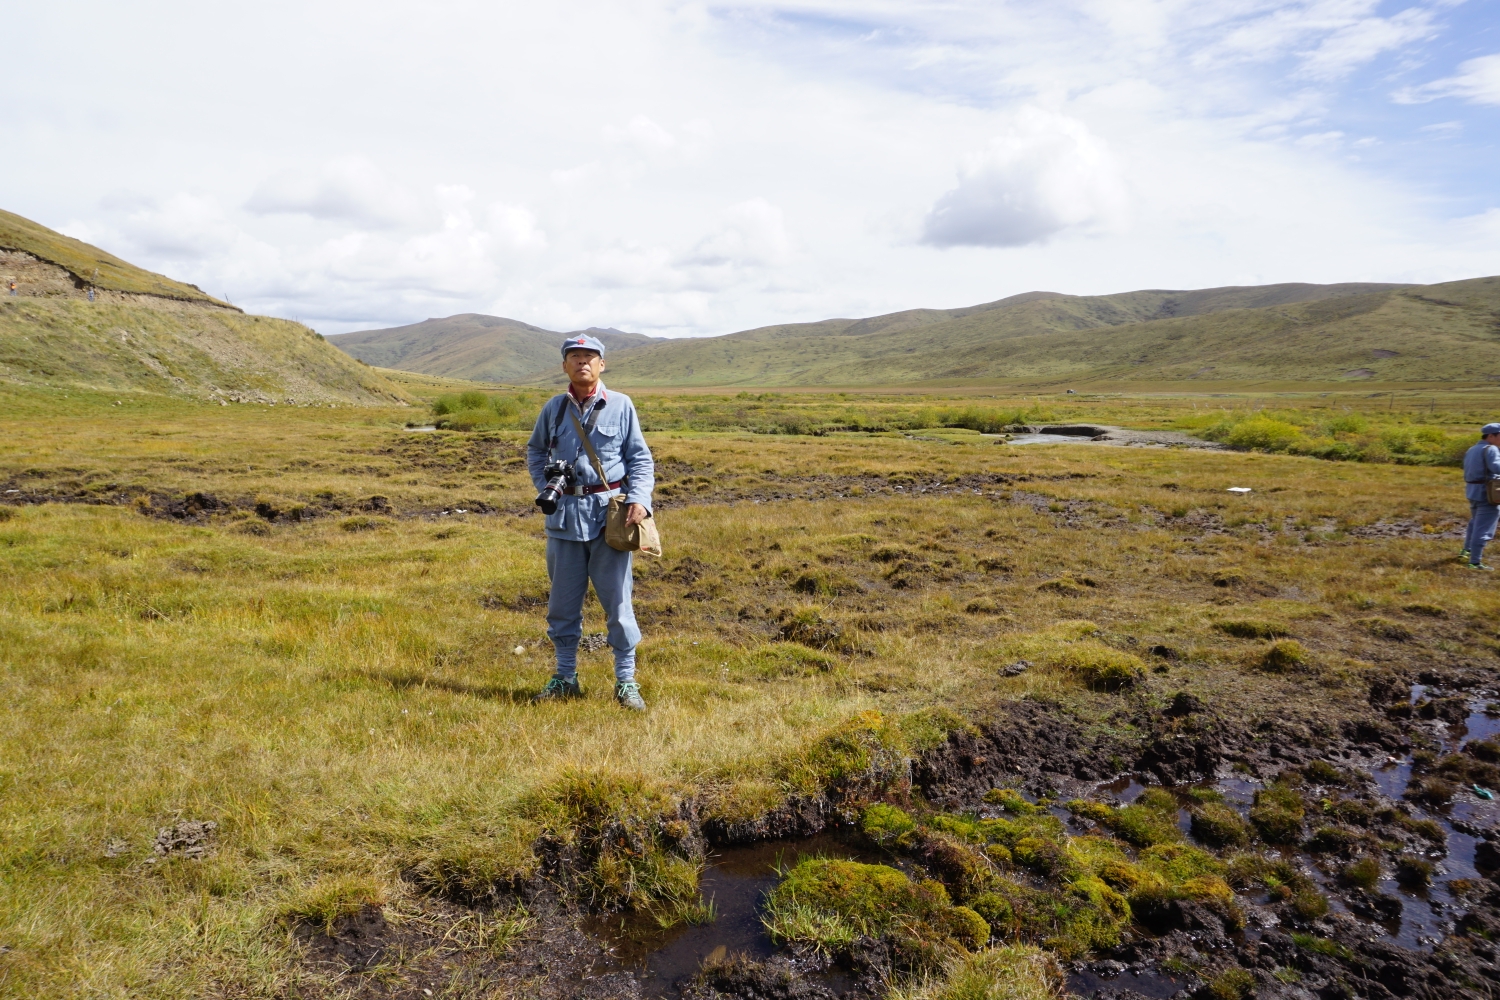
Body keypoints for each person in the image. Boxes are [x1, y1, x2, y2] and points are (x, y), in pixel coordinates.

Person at [526, 334, 655, 709]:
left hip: (608, 519)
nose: (583, 362)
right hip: (563, 519)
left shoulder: (621, 405)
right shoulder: (553, 408)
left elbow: (640, 459)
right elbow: (535, 451)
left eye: (590, 357)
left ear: (602, 364)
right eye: (575, 357)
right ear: (564, 365)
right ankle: (565, 677)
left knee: (618, 604)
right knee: (562, 605)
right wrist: (546, 484)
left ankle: (626, 681)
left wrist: (640, 500)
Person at [1461, 422, 1500, 571]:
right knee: (1483, 528)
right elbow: (1497, 468)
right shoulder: (1491, 449)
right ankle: (1475, 562)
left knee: (1475, 523)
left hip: (1472, 491)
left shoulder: (1472, 449)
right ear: (1491, 436)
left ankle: (1467, 550)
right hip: (1487, 493)